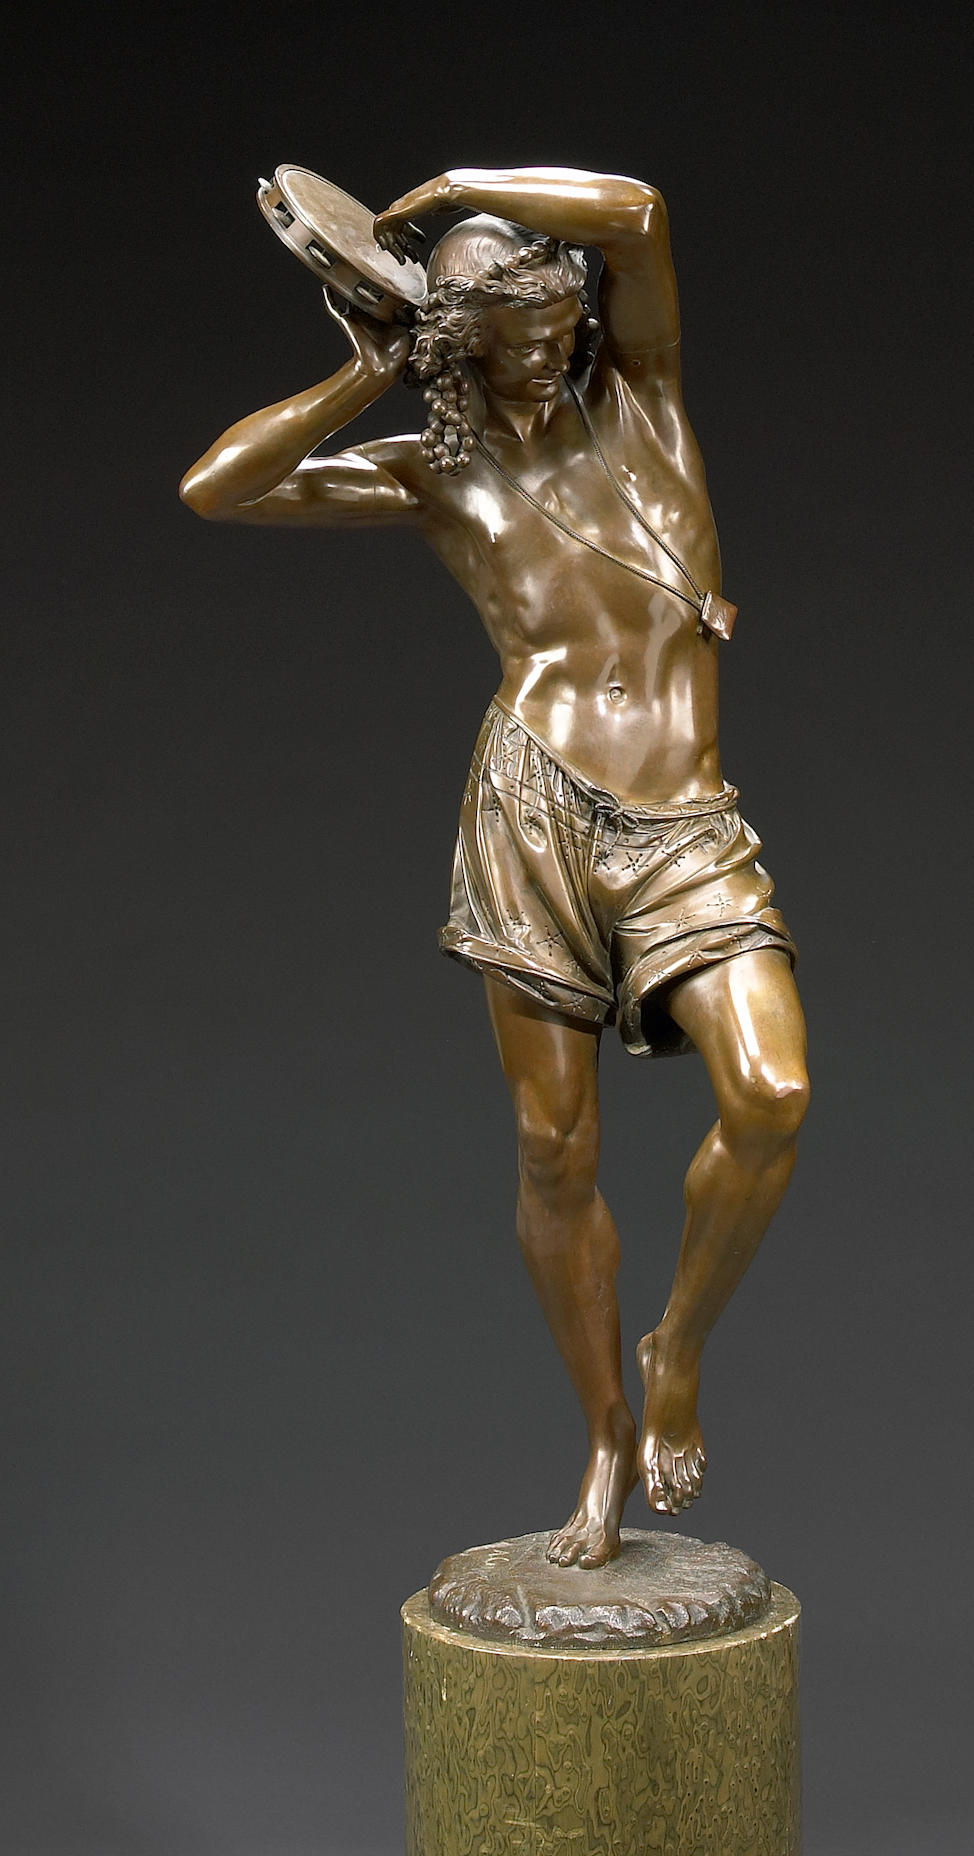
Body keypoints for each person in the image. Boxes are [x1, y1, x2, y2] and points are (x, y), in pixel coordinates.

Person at [181, 166, 810, 1567]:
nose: (538, 350)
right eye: (502, 332)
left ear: (580, 315)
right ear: (453, 341)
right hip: (530, 816)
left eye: (552, 319)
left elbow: (638, 211)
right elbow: (218, 489)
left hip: (681, 821)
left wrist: (456, 184)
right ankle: (601, 1435)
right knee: (553, 1147)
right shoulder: (435, 468)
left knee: (771, 1093)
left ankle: (676, 1350)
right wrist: (366, 375)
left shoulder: (643, 409)